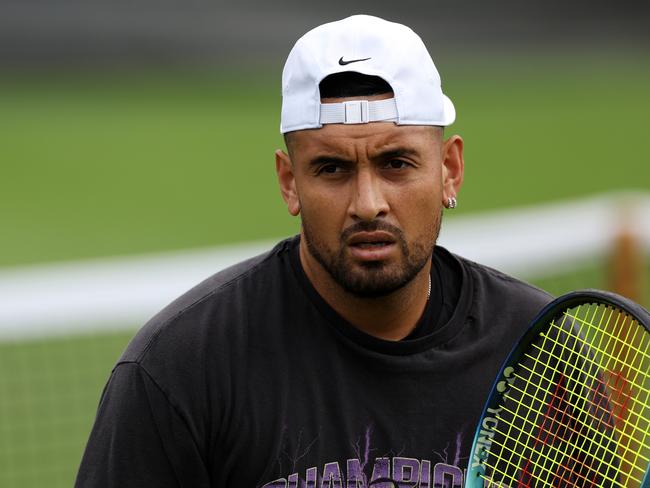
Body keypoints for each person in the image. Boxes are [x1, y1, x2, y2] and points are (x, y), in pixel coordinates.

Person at [75, 14, 552, 488]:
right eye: (332, 169)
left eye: (396, 163)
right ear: (289, 183)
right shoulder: (181, 368)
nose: (368, 205)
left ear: (449, 168)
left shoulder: (543, 357)